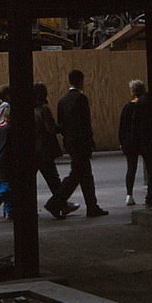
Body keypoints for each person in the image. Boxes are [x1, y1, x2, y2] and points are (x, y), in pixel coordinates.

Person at [55, 69, 109, 217]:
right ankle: (57, 202)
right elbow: (85, 123)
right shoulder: (81, 99)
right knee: (81, 175)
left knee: (82, 175)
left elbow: (61, 124)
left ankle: (91, 205)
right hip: (81, 143)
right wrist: (90, 141)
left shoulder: (62, 101)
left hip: (71, 142)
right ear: (81, 81)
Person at [35, 82, 79, 219]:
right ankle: (59, 204)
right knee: (53, 179)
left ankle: (61, 204)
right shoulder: (44, 109)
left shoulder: (29, 109)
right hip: (45, 150)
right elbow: (51, 129)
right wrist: (64, 126)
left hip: (34, 150)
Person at [119, 79, 150, 206]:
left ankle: (129, 195)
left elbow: (122, 126)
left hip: (130, 142)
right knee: (149, 167)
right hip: (143, 141)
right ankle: (150, 194)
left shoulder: (127, 107)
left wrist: (122, 142)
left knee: (131, 168)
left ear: (132, 92)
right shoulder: (145, 106)